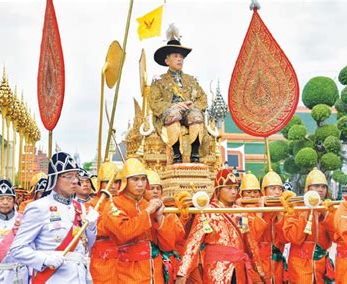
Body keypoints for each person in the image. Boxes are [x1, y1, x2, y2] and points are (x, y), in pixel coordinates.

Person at [10, 152, 98, 283]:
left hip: (79, 277)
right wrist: (44, 259)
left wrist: (91, 227)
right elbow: (17, 249)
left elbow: (87, 246)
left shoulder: (80, 207)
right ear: (55, 178)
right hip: (52, 277)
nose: (75, 181)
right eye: (69, 176)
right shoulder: (39, 207)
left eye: (76, 175)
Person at [176, 168, 264, 284]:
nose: (233, 192)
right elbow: (193, 243)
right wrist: (182, 272)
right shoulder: (207, 212)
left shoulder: (240, 212)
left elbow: (249, 241)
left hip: (238, 269)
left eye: (235, 188)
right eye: (229, 188)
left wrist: (259, 269)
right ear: (218, 190)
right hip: (217, 269)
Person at [103, 158, 177, 283]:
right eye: (135, 179)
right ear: (125, 181)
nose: (140, 184)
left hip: (155, 271)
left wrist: (159, 218)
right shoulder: (113, 205)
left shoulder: (147, 204)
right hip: (128, 272)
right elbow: (124, 232)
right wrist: (147, 212)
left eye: (143, 179)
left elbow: (168, 245)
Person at [150, 24, 207, 163]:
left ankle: (195, 154)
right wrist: (174, 106)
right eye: (175, 56)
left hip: (189, 110)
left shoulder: (191, 80)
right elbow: (154, 102)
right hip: (170, 112)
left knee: (196, 115)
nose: (179, 59)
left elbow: (203, 98)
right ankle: (176, 155)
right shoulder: (159, 81)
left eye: (181, 56)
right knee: (173, 115)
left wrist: (192, 105)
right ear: (167, 60)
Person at [283, 167, 335, 283]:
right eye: (316, 186)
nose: (321, 190)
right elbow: (294, 238)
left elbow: (336, 236)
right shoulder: (296, 206)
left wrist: (325, 214)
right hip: (299, 266)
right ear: (307, 189)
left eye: (323, 187)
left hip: (321, 266)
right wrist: (306, 212)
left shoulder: (329, 208)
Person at [86, 160, 121, 284]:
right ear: (100, 184)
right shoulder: (90, 205)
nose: (113, 186)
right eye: (108, 182)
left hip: (123, 260)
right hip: (101, 259)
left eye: (116, 182)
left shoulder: (123, 202)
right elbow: (93, 231)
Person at [255, 169, 289, 283]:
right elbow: (253, 237)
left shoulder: (282, 209)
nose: (277, 192)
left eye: (280, 189)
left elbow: (286, 239)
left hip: (277, 264)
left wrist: (280, 215)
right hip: (259, 264)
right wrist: (260, 211)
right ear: (264, 191)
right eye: (273, 188)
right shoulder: (253, 209)